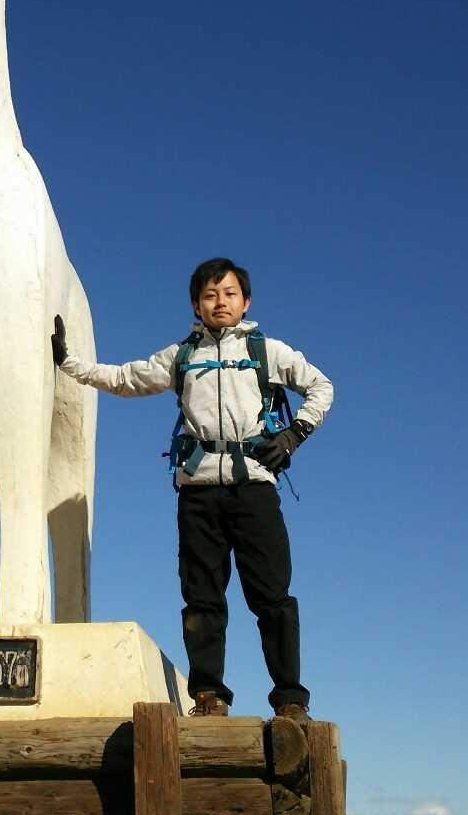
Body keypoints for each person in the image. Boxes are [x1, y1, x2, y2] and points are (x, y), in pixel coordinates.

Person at [51, 257, 333, 720]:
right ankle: (208, 697)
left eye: (229, 294)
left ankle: (290, 699)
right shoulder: (181, 356)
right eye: (209, 295)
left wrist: (294, 434)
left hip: (254, 488)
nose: (220, 302)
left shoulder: (269, 352)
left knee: (272, 597)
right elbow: (124, 378)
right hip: (198, 492)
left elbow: (321, 387)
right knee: (202, 598)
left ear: (246, 302)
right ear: (196, 305)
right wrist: (68, 363)